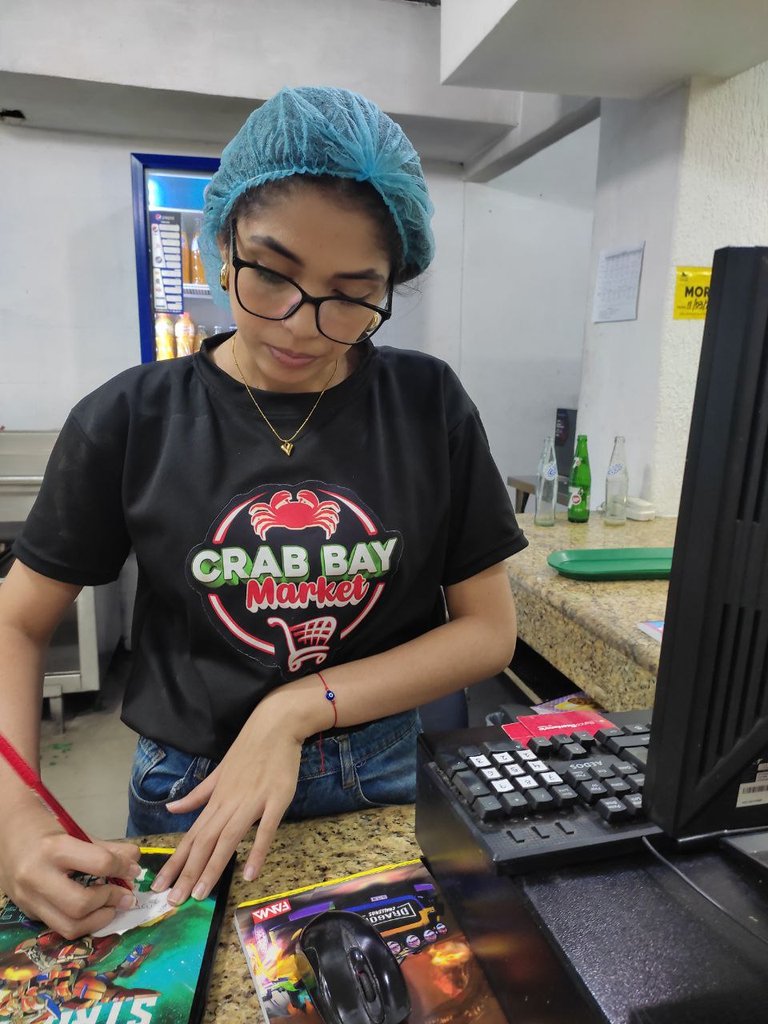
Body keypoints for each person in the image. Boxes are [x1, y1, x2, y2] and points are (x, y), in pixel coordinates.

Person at [0, 86, 527, 938]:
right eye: (271, 272)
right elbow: (16, 623)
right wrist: (14, 821)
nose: (301, 323)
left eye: (353, 294)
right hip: (190, 789)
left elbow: (486, 631)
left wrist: (292, 708)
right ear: (218, 247)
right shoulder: (131, 418)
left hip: (381, 772)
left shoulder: (426, 404)